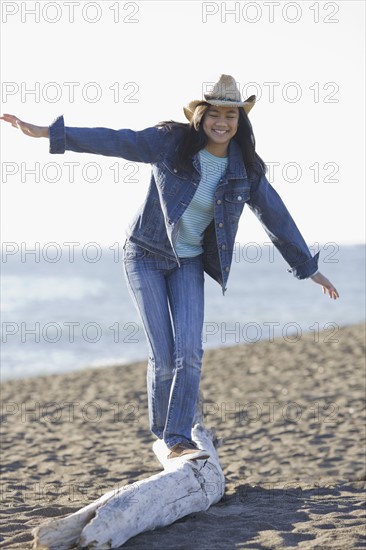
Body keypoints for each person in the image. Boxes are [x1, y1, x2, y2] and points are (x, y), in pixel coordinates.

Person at [1, 74, 339, 461]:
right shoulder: (170, 143)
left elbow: (276, 217)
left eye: (231, 115)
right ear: (201, 116)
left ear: (240, 121)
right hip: (144, 254)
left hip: (188, 262)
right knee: (163, 357)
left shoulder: (244, 169)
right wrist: (50, 133)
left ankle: (177, 437)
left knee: (190, 353)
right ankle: (166, 434)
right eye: (215, 113)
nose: (223, 122)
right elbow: (116, 140)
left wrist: (307, 268)